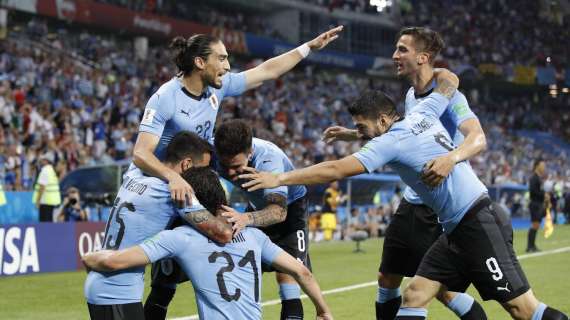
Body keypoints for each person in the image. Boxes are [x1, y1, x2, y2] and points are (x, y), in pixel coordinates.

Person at [239, 78, 568, 319]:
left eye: (362, 126)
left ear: (382, 121)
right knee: (414, 295)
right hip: (454, 229)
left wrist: (279, 177)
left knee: (523, 310)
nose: (360, 133)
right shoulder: (422, 112)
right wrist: (354, 133)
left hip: (477, 221)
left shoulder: (389, 142)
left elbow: (336, 168)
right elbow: (449, 81)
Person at [133, 28, 343, 319]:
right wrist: (173, 178)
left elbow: (267, 70)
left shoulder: (218, 88)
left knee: (279, 272)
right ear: (200, 62)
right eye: (222, 58)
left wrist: (308, 47)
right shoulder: (166, 98)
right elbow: (141, 153)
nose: (228, 65)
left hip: (194, 191)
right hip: (165, 190)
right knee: (162, 278)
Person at [322, 27, 487, 320]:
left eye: (402, 50)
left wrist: (451, 158)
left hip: (437, 203)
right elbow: (398, 134)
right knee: (387, 277)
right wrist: (353, 134)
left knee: (442, 290)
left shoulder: (452, 97)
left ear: (422, 58)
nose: (394, 55)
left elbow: (478, 138)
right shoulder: (412, 95)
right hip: (412, 201)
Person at [82, 167, 333, 320]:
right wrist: (322, 310)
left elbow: (114, 261)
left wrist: (90, 258)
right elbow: (302, 271)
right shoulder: (255, 236)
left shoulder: (181, 238)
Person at [84, 132, 232, 320]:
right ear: (186, 164)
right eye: (201, 169)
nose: (204, 176)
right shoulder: (177, 194)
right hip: (117, 292)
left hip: (102, 284)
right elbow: (223, 233)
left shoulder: (134, 173)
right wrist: (219, 202)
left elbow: (141, 155)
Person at [213, 119, 311, 319]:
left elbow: (278, 212)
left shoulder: (269, 159)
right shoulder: (213, 148)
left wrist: (245, 218)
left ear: (250, 154)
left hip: (290, 209)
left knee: (288, 272)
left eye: (237, 167)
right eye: (225, 166)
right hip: (255, 206)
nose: (231, 174)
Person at [526, 158, 548, 252]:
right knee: (535, 225)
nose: (544, 167)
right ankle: (529, 247)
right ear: (537, 166)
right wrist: (544, 194)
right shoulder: (534, 177)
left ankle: (532, 246)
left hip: (539, 203)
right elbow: (533, 191)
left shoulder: (538, 178)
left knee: (537, 225)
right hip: (535, 204)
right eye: (542, 165)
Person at [32, 152, 61, 222]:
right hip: (51, 201)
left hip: (45, 201)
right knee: (49, 221)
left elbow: (42, 187)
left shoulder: (45, 170)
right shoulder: (52, 170)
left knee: (44, 222)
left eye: (43, 159)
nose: (41, 161)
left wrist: (37, 201)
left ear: (46, 161)